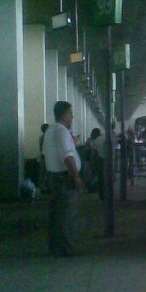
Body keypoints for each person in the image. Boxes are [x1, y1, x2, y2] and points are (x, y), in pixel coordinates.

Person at [42, 101, 86, 256]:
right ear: (64, 114)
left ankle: (54, 247)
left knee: (55, 214)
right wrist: (77, 176)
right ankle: (67, 249)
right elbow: (68, 157)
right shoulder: (62, 132)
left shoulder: (49, 131)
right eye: (70, 113)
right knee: (67, 215)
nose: (72, 117)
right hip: (65, 178)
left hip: (53, 177)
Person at [38, 123, 49, 194]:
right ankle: (43, 187)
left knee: (43, 173)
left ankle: (42, 187)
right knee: (45, 173)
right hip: (46, 156)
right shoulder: (46, 137)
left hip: (43, 156)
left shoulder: (41, 137)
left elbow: (40, 148)